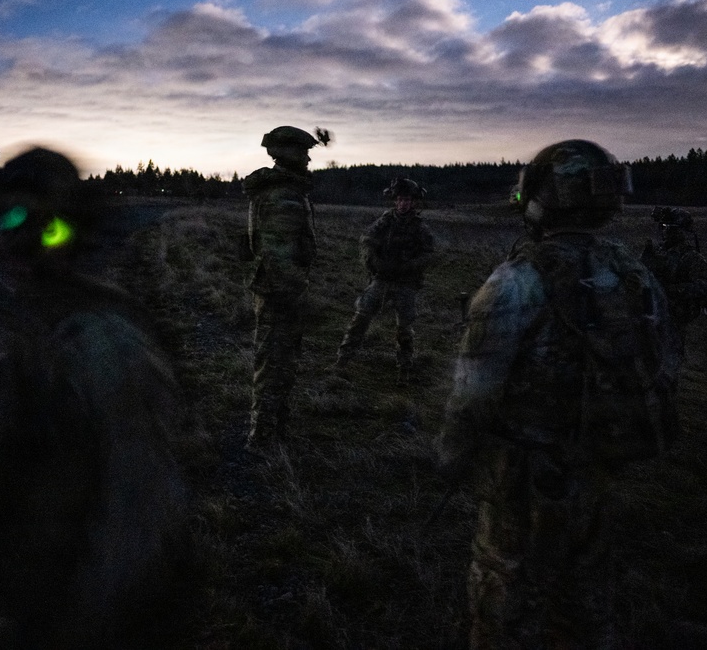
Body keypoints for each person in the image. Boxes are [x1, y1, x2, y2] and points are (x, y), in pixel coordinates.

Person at [0, 147, 195, 648]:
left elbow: (138, 528)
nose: (17, 242)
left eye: (42, 225)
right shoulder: (38, 320)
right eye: (4, 221)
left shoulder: (101, 343)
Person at [436, 139, 681, 649]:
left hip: (522, 474)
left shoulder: (517, 279)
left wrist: (451, 461)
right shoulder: (636, 275)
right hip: (596, 463)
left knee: (503, 597)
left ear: (538, 198)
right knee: (585, 595)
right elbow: (664, 362)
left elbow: (473, 395)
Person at [244, 125, 323, 449]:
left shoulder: (285, 190)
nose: (307, 158)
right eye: (303, 152)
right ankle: (262, 440)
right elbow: (278, 256)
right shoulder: (283, 196)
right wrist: (301, 300)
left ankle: (275, 431)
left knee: (282, 364)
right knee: (274, 365)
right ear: (288, 154)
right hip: (281, 294)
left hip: (282, 291)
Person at [331, 177, 437, 385]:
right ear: (395, 201)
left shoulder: (420, 228)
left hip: (405, 282)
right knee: (361, 318)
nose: (403, 203)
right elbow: (367, 240)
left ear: (413, 202)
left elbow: (429, 254)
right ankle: (342, 360)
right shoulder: (385, 221)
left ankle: (404, 369)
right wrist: (373, 261)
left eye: (407, 200)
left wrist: (409, 267)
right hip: (382, 278)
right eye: (400, 200)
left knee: (404, 329)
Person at [640, 206, 707, 350]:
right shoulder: (656, 252)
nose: (665, 230)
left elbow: (703, 287)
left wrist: (673, 289)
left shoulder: (691, 257)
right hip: (652, 314)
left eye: (669, 227)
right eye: (663, 226)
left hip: (675, 316)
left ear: (681, 231)